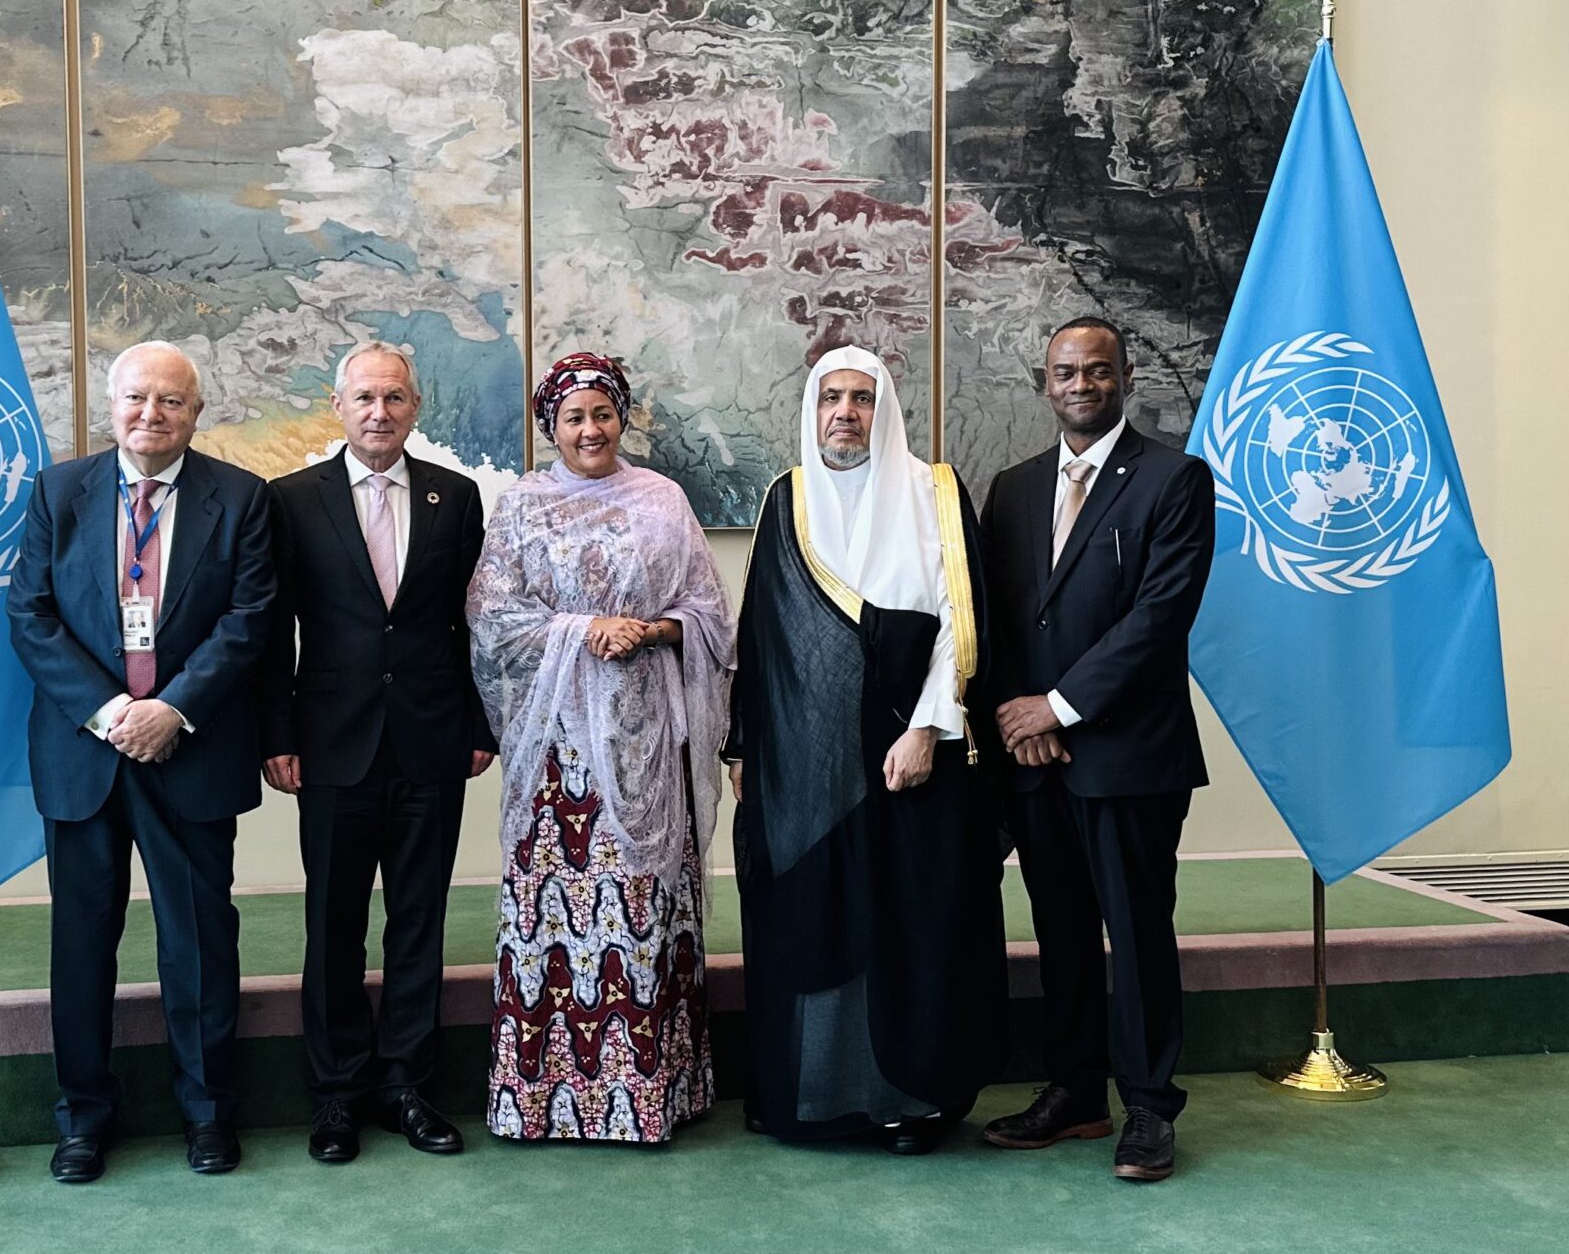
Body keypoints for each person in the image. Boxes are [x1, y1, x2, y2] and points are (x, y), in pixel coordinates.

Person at [726, 347, 1007, 1153]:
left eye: (860, 398)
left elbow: (959, 622)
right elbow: (763, 633)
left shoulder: (934, 491)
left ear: (883, 410)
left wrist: (925, 727)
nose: (844, 413)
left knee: (912, 924)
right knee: (818, 918)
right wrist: (745, 747)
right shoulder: (789, 497)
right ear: (812, 411)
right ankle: (818, 1097)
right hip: (809, 767)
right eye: (830, 398)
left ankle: (914, 1102)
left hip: (912, 754)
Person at [7, 341, 274, 1183]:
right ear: (111, 404)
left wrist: (173, 710)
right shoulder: (57, 493)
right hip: (85, 754)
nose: (151, 414)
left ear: (197, 413)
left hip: (191, 751)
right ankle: (83, 1120)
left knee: (199, 943)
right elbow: (30, 615)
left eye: (170, 401)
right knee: (82, 946)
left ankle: (208, 1113)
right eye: (136, 398)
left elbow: (251, 619)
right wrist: (114, 712)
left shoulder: (243, 498)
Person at [466, 353, 735, 1143]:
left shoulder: (663, 500)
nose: (591, 430)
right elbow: (492, 618)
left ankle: (651, 1097)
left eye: (603, 414)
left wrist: (651, 630)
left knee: (645, 910)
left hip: (648, 745)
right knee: (555, 916)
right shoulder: (523, 506)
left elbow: (709, 613)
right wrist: (586, 629)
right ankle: (544, 1100)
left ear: (623, 418)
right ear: (551, 427)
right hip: (559, 754)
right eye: (574, 418)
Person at [978, 317, 1214, 1183]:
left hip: (1128, 757)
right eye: (1066, 372)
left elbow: (1160, 616)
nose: (1082, 385)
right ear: (1045, 383)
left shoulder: (1174, 479)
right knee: (1063, 934)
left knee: (1138, 935)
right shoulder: (1012, 489)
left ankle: (1150, 1106)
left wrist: (1059, 709)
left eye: (1098, 371)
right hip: (1034, 761)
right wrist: (1020, 718)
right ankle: (1076, 1094)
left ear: (1124, 377)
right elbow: (998, 618)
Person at [263, 341, 497, 1164]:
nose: (379, 412)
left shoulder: (455, 497)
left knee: (418, 923)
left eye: (394, 397)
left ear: (415, 407)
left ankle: (407, 1087)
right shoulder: (291, 500)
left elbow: (474, 624)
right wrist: (277, 735)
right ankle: (336, 1095)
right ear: (338, 407)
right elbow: (273, 631)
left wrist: (480, 725)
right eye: (364, 397)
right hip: (331, 744)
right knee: (333, 927)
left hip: (432, 740)